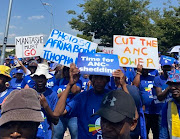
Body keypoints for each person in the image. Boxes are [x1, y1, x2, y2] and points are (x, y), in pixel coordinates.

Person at [113, 69, 146, 139]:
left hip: (122, 130)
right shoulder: (135, 89)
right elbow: (142, 107)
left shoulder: (115, 93)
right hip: (135, 129)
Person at [53, 66, 82, 139]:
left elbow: (74, 91)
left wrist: (71, 80)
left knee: (75, 136)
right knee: (57, 136)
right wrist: (66, 91)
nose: (66, 72)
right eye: (65, 70)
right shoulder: (59, 81)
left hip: (73, 114)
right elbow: (54, 96)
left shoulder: (78, 81)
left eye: (68, 70)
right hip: (60, 113)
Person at [31, 63, 58, 139]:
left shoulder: (52, 95)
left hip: (46, 135)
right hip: (31, 134)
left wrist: (46, 106)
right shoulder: (29, 93)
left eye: (42, 77)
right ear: (35, 78)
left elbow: (55, 121)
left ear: (46, 79)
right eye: (38, 77)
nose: (40, 80)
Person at [133, 64, 159, 139]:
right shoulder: (138, 78)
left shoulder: (154, 78)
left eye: (146, 69)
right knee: (144, 134)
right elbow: (134, 86)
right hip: (144, 112)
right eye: (143, 69)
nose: (144, 70)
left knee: (156, 133)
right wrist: (139, 72)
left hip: (155, 111)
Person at [159, 69, 180, 139]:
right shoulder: (168, 105)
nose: (173, 87)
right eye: (171, 84)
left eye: (177, 84)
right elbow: (164, 131)